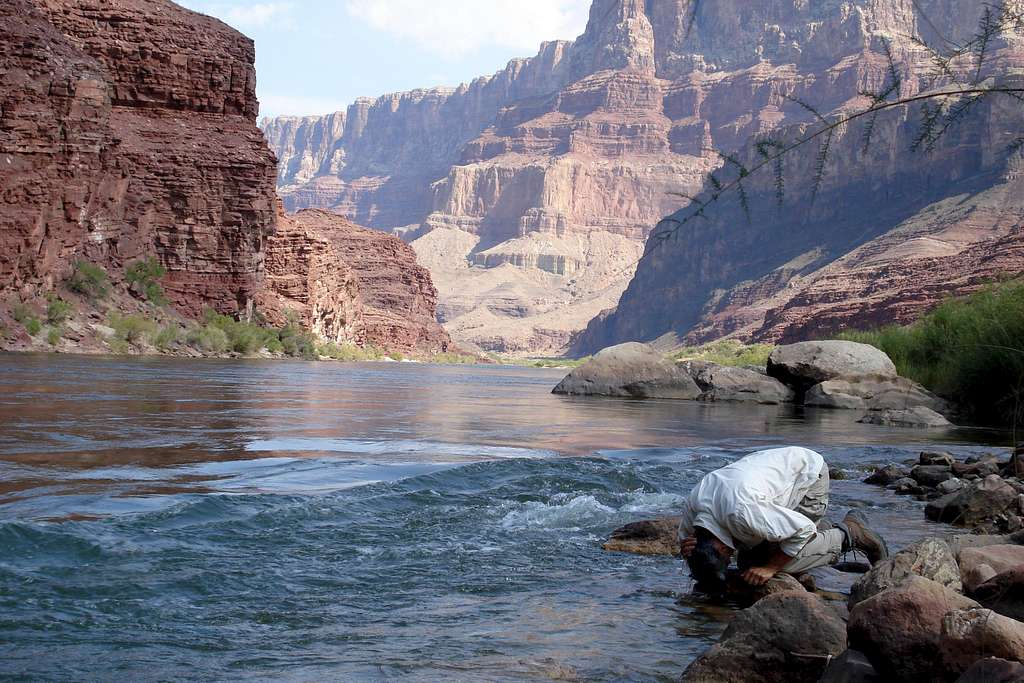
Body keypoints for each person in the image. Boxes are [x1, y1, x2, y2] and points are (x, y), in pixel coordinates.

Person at [678, 446, 889, 591]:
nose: (729, 557)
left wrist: (771, 568)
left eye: (726, 558)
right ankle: (821, 532)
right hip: (777, 476)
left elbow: (804, 529)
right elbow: (689, 545)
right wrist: (685, 551)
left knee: (773, 565)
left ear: (723, 549)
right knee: (749, 564)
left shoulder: (742, 513)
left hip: (808, 478)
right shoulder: (695, 508)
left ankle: (851, 533)